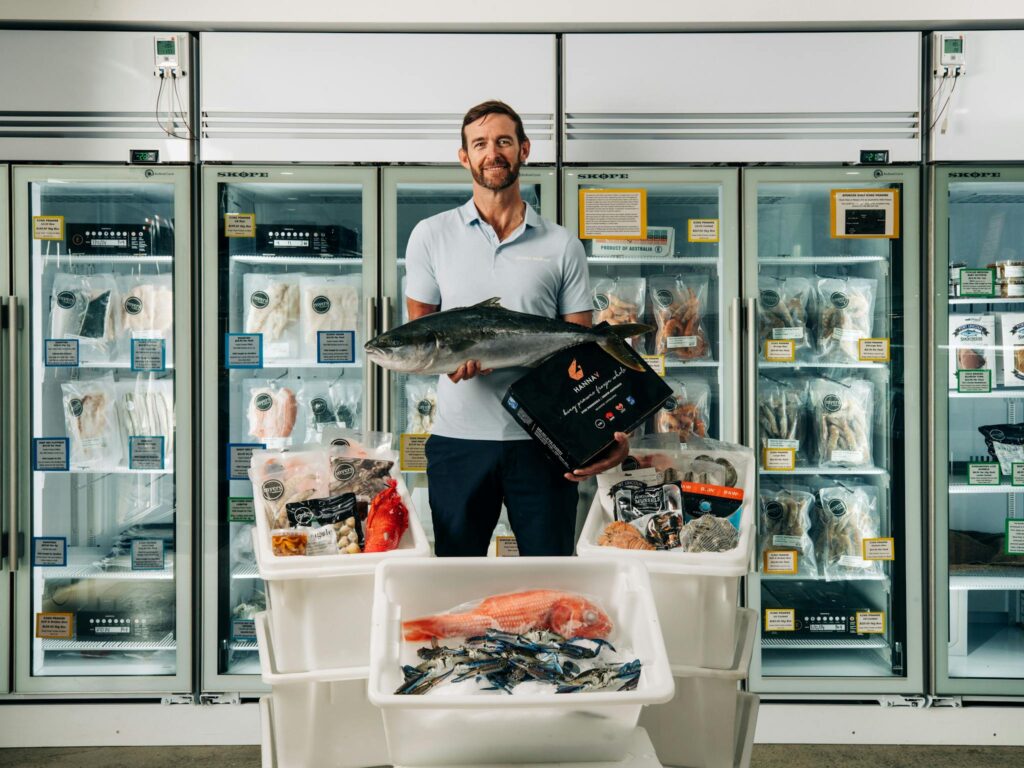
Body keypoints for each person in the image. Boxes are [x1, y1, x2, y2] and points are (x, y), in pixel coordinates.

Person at [404, 99, 629, 557]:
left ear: (524, 150)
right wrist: (450, 362)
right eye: (480, 144)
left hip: (543, 442)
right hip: (458, 443)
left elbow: (580, 355)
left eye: (504, 141)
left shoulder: (561, 243)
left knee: (550, 575)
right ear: (464, 157)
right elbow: (421, 337)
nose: (493, 153)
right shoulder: (431, 235)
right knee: (455, 578)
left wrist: (604, 435)